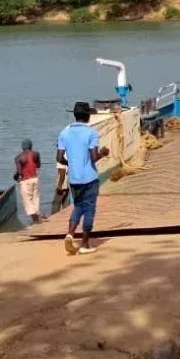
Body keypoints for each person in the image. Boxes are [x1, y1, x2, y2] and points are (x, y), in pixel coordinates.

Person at [57, 101, 110, 255]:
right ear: (87, 116)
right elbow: (94, 157)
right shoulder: (91, 133)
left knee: (78, 206)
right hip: (89, 178)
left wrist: (71, 164)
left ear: (75, 115)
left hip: (73, 179)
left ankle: (70, 234)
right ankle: (85, 244)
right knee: (89, 209)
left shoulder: (64, 133)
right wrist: (104, 153)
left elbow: (59, 157)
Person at [14, 139, 42, 224]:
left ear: (22, 147)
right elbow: (38, 165)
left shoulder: (19, 157)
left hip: (26, 181)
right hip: (35, 179)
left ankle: (36, 219)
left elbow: (19, 173)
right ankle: (36, 218)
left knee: (27, 201)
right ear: (31, 146)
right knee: (35, 199)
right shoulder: (36, 154)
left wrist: (15, 177)